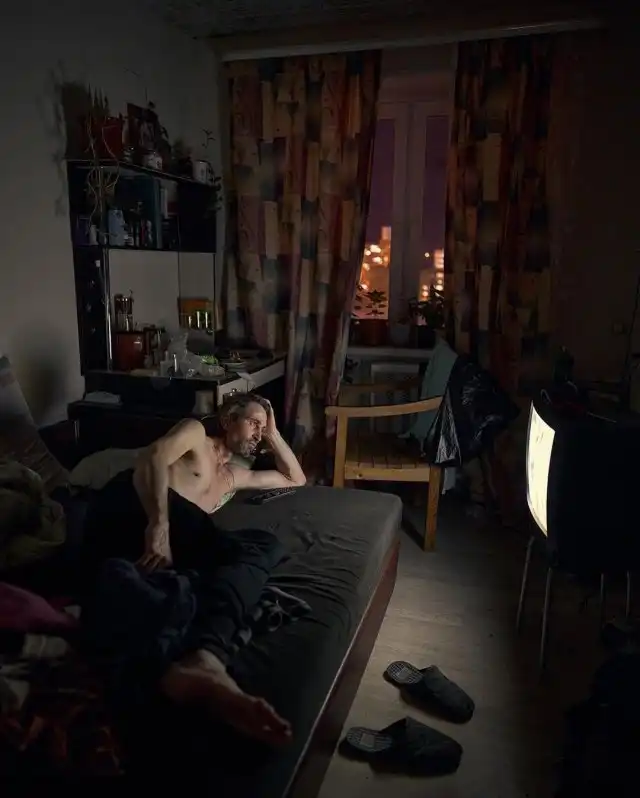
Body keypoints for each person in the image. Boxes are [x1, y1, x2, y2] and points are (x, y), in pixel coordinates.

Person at [80, 393, 306, 746]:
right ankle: (201, 657)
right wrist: (159, 524)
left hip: (179, 540)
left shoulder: (233, 476)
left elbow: (296, 478)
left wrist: (273, 433)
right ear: (228, 420)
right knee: (248, 549)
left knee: (263, 547)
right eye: (253, 423)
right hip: (134, 506)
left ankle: (197, 659)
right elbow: (153, 456)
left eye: (262, 428)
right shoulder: (196, 434)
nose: (258, 433)